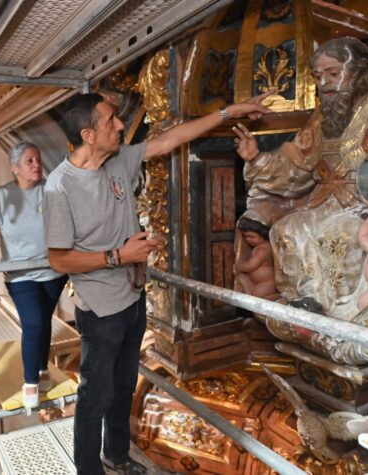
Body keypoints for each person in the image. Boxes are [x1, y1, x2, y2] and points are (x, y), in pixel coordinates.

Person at [44, 92, 270, 475]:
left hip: (132, 298)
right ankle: (88, 470)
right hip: (99, 311)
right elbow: (58, 259)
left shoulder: (118, 160)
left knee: (122, 387)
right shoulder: (60, 187)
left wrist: (228, 112)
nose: (120, 126)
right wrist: (119, 256)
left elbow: (169, 140)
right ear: (88, 134)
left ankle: (116, 456)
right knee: (94, 396)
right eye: (111, 120)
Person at [233, 37, 368, 327]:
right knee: (287, 228)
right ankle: (308, 302)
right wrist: (256, 159)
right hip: (323, 199)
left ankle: (348, 318)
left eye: (333, 74)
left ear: (360, 71)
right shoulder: (324, 114)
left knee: (340, 234)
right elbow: (296, 161)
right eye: (318, 76)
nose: (324, 82)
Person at [0, 142, 68, 409]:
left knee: (44, 320)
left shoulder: (50, 189)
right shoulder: (1, 196)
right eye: (29, 161)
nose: (36, 164)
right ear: (14, 168)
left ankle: (42, 369)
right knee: (34, 323)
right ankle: (30, 382)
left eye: (38, 159)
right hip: (20, 274)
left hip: (54, 271)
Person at [234, 217, 278, 301]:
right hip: (258, 282)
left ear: (263, 235)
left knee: (257, 295)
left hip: (268, 282)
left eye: (251, 237)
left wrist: (240, 265)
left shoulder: (263, 250)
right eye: (245, 236)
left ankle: (278, 298)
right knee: (242, 279)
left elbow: (250, 266)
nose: (248, 239)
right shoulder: (258, 246)